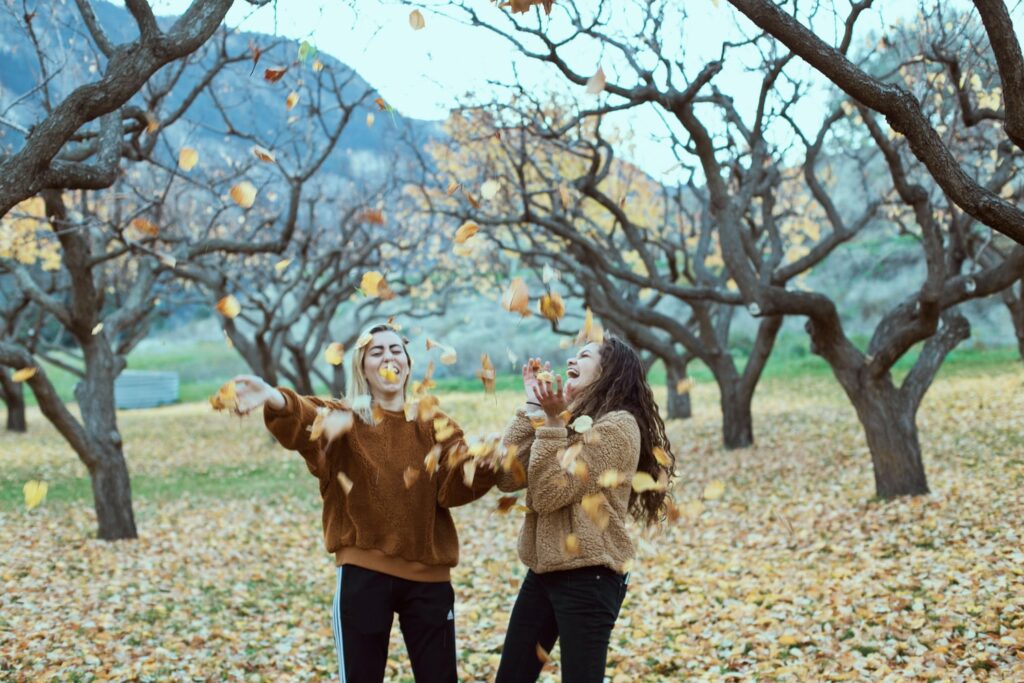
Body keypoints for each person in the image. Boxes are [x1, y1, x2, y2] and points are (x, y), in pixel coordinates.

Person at [229, 322, 498, 683]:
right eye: (377, 351)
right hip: (364, 576)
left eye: (395, 350)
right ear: (363, 368)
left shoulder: (432, 421)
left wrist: (486, 461)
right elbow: (304, 418)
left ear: (407, 362)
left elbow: (454, 486)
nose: (388, 357)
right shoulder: (346, 420)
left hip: (429, 579)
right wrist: (273, 397)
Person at [494, 335, 676, 683]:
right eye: (573, 355)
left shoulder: (618, 427)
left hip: (589, 577)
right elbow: (505, 477)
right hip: (544, 570)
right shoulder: (563, 419)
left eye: (585, 355)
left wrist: (551, 426)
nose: (571, 361)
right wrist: (533, 408)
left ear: (609, 370)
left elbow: (548, 492)